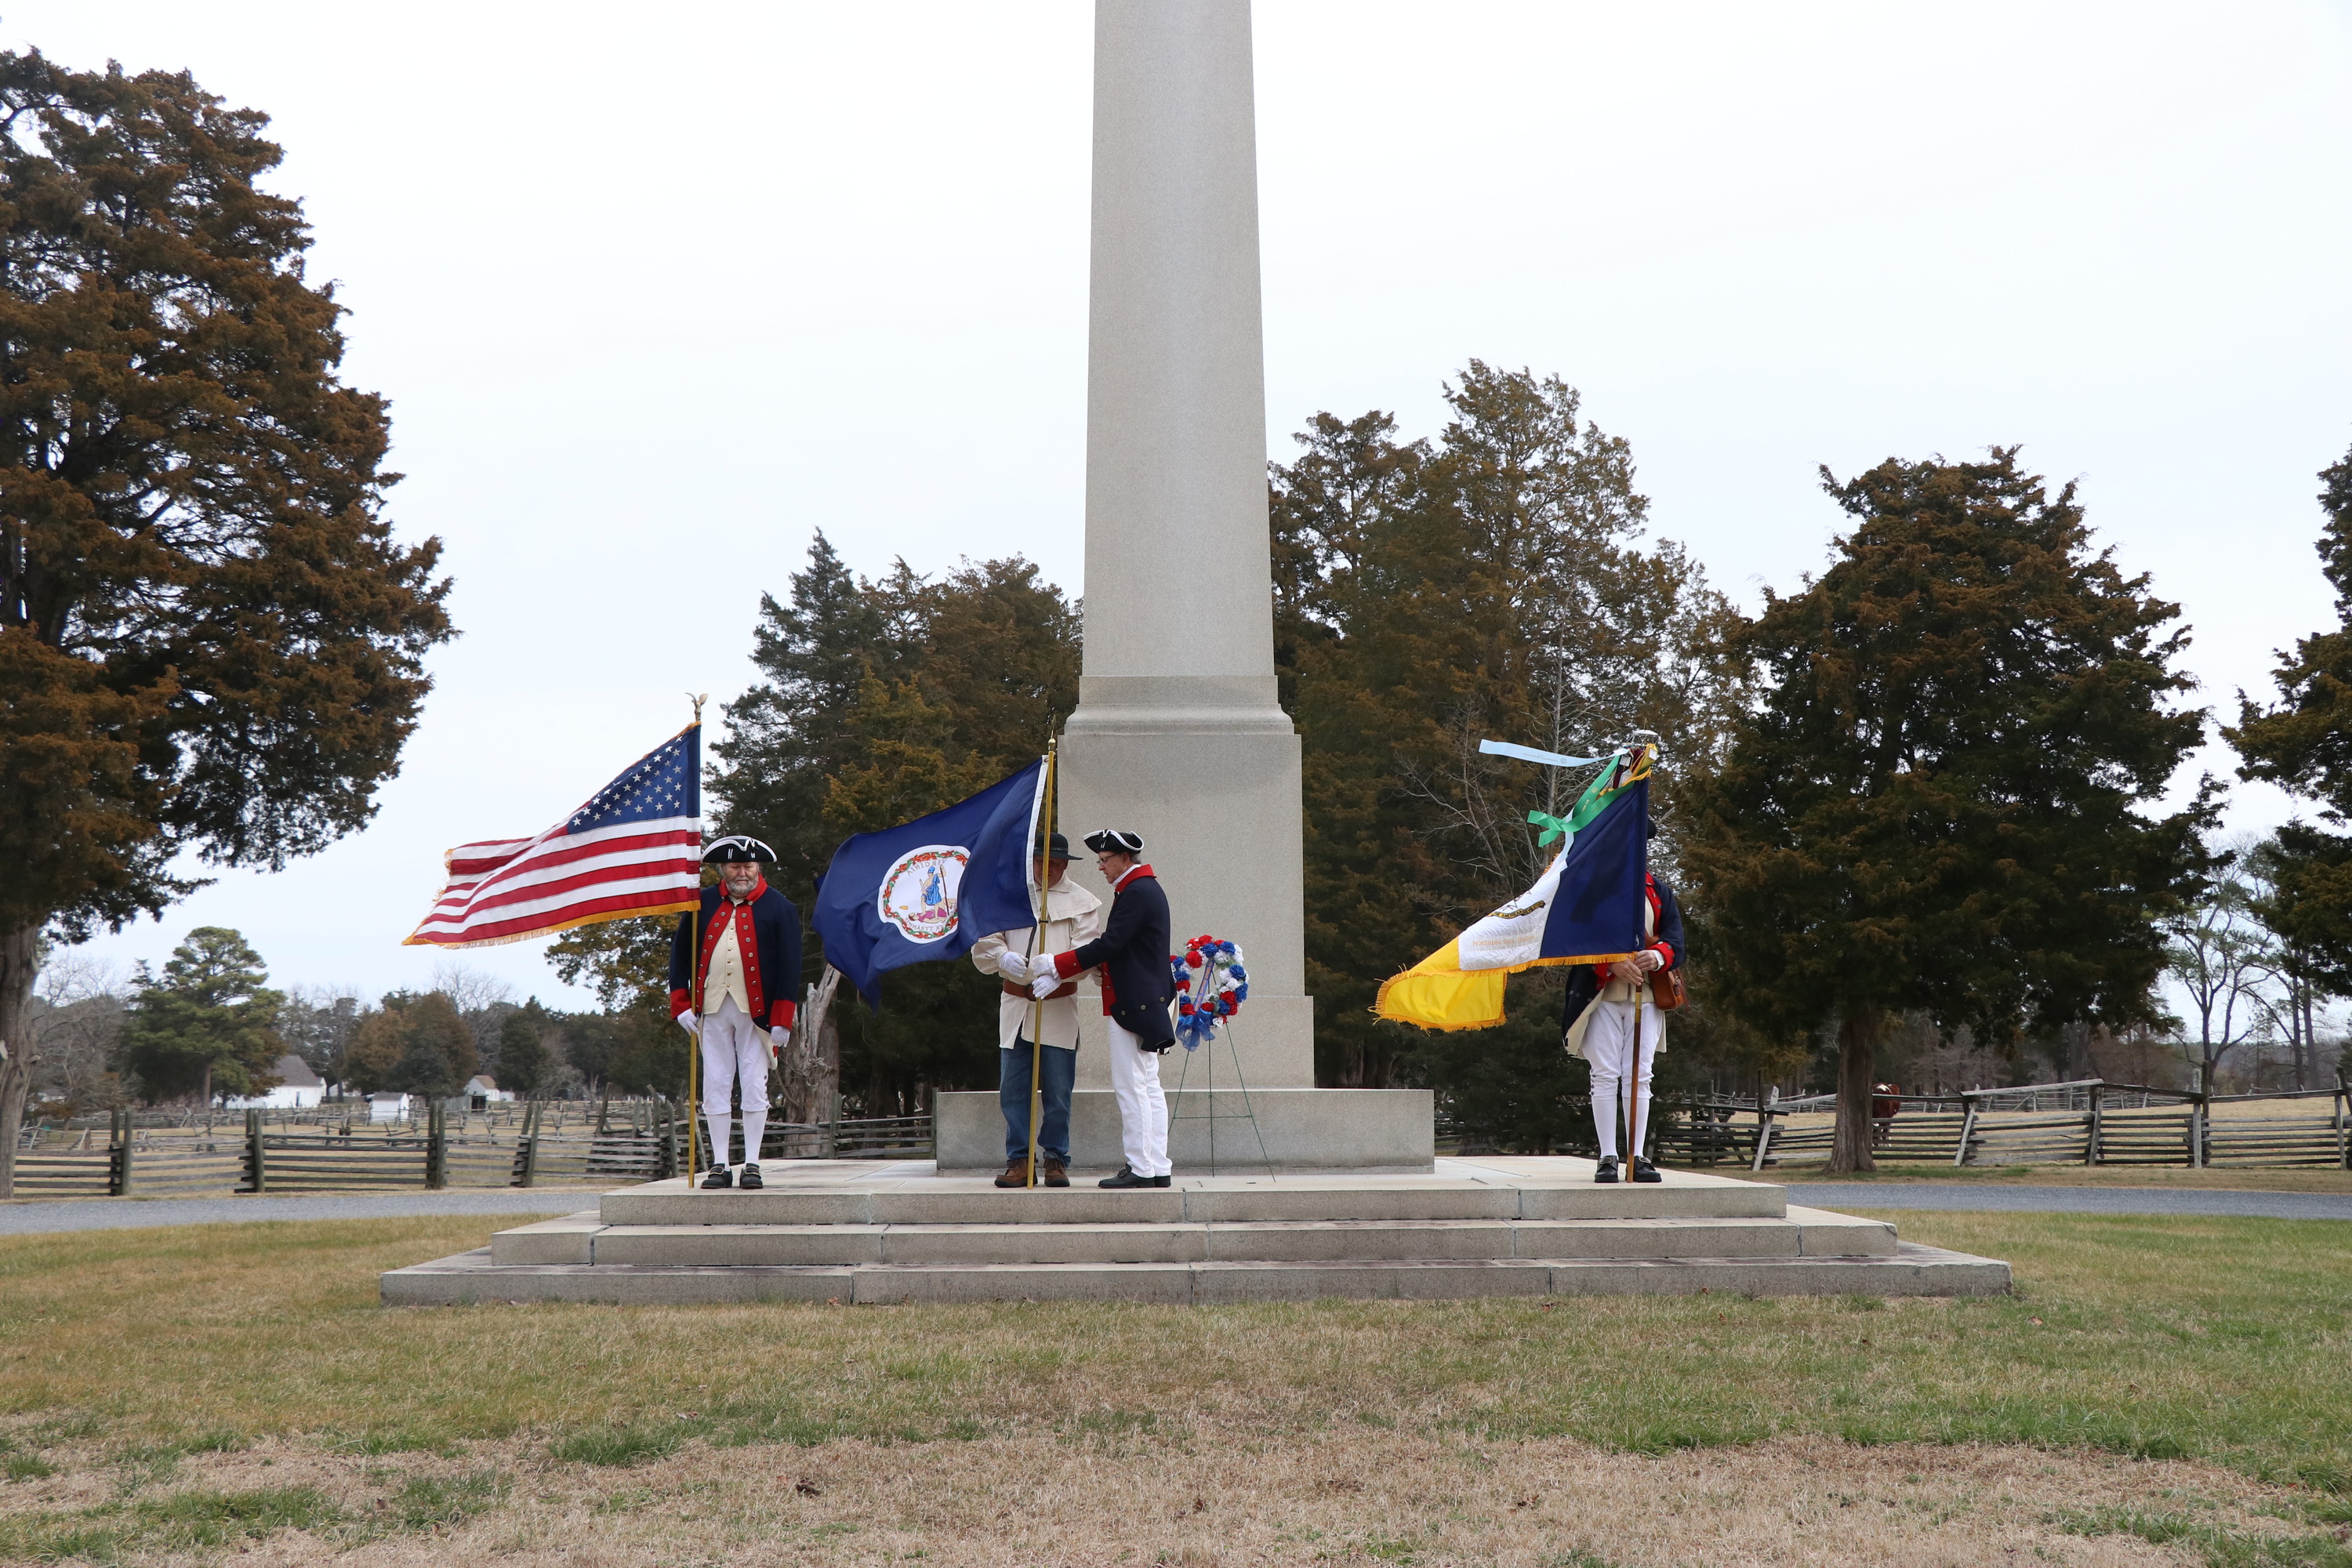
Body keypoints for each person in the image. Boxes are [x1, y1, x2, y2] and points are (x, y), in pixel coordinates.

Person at [1036, 828, 1175, 1188]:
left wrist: (1057, 965)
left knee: (1132, 1086)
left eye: (1104, 860)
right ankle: (1157, 1166)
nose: (1100, 867)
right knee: (1148, 1085)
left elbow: (1111, 944)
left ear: (1125, 859)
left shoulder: (1137, 891)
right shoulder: (1141, 888)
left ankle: (1141, 1168)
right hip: (1142, 998)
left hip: (1133, 1001)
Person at [668, 835, 802, 1190]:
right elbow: (680, 955)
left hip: (757, 1015)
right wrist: (681, 1004)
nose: (742, 872)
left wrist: (782, 1019)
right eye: (734, 866)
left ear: (758, 868)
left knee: (755, 1086)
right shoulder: (701, 903)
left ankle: (753, 1163)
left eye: (748, 866)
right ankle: (721, 1164)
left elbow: (791, 967)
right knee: (715, 1085)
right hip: (711, 1009)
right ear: (722, 870)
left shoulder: (780, 908)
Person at [970, 833, 1104, 1188]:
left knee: (1058, 1091)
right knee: (1013, 1090)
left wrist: (1060, 973)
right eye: (1045, 862)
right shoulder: (1008, 894)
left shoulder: (1084, 902)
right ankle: (1019, 1160)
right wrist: (1002, 956)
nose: (1052, 870)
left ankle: (1056, 1158)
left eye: (1059, 864)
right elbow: (986, 937)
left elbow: (1087, 951)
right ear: (1032, 862)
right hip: (1016, 1005)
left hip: (1058, 1006)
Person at [1561, 853, 1685, 1185]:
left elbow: (1676, 941)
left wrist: (1657, 955)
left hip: (1645, 998)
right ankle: (1608, 1157)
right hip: (1602, 997)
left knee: (1640, 1076)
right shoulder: (1594, 889)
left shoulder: (1657, 890)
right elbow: (1575, 940)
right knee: (1604, 1076)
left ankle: (1637, 1156)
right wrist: (1611, 965)